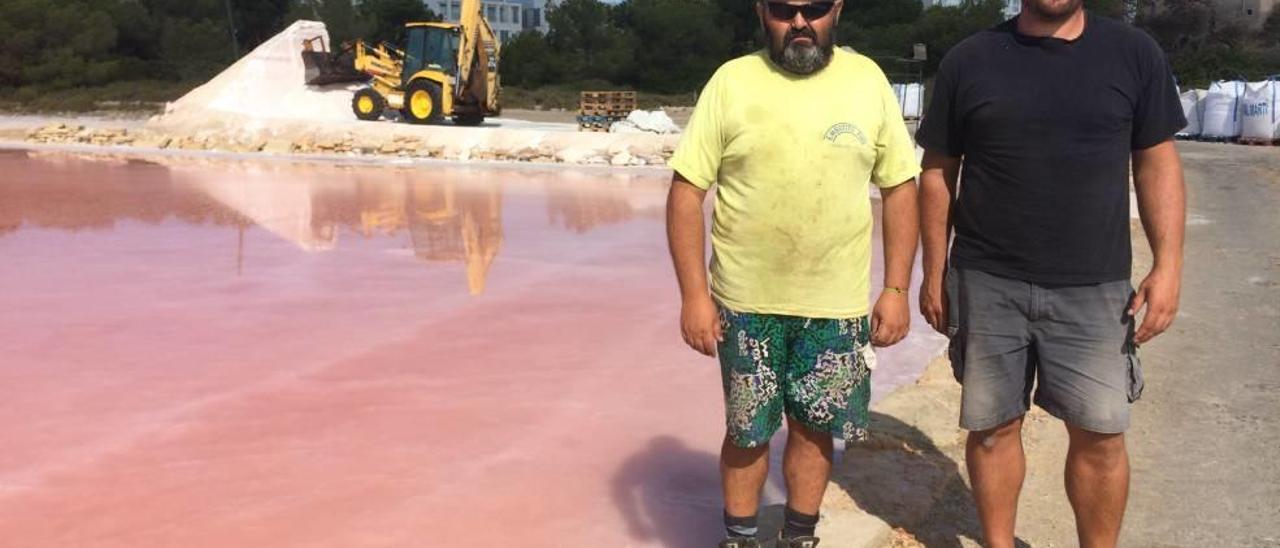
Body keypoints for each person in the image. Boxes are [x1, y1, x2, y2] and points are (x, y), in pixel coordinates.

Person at [914, 0, 1187, 546]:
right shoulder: (971, 59)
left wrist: (1169, 264)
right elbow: (939, 171)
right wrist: (933, 270)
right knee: (992, 429)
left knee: (1101, 436)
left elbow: (1157, 161)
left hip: (1095, 284)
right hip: (987, 279)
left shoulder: (1133, 54)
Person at [665, 1, 921, 546]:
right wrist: (694, 296)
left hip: (835, 304)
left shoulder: (868, 80)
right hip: (745, 304)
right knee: (747, 431)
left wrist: (897, 288)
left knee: (814, 428)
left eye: (814, 8)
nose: (799, 22)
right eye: (784, 9)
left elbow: (900, 187)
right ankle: (739, 537)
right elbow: (687, 192)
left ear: (837, 9)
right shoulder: (731, 82)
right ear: (762, 11)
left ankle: (799, 536)